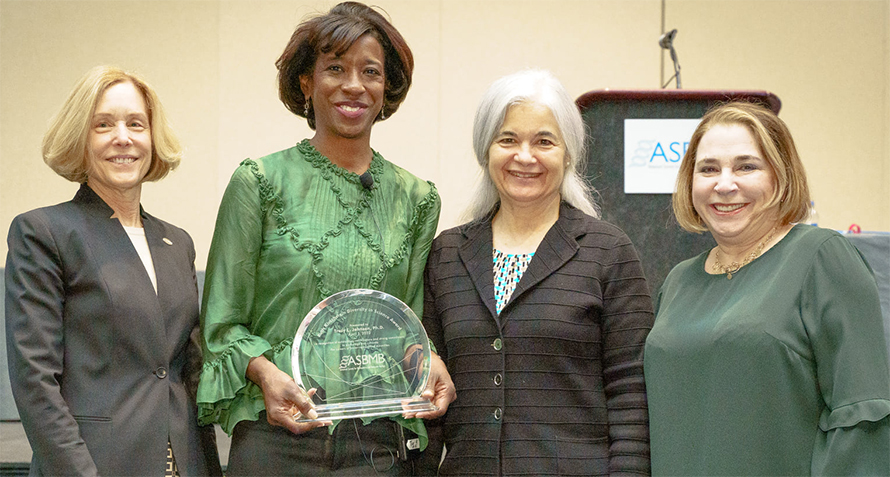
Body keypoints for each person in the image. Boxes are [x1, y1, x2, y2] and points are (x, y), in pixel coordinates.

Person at [196, 2, 455, 475]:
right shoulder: (259, 182)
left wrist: (429, 359)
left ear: (385, 88)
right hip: (276, 435)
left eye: (370, 71)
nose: (353, 85)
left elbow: (409, 319)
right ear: (305, 83)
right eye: (335, 68)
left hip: (376, 443)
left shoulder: (417, 199)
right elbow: (220, 327)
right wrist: (265, 374)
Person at [422, 69, 654, 476]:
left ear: (568, 153)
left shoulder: (608, 251)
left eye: (544, 141)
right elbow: (428, 391)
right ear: (486, 151)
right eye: (507, 139)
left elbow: (631, 395)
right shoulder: (448, 253)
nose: (524, 156)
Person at [644, 101, 890, 475]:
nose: (724, 184)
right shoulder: (678, 281)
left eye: (747, 166)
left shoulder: (821, 258)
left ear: (782, 176)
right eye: (708, 169)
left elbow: (862, 418)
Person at [4, 66, 222, 476]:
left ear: (152, 138)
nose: (123, 137)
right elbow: (36, 383)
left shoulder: (178, 243)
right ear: (80, 139)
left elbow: (187, 373)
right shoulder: (44, 232)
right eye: (103, 124)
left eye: (136, 124)